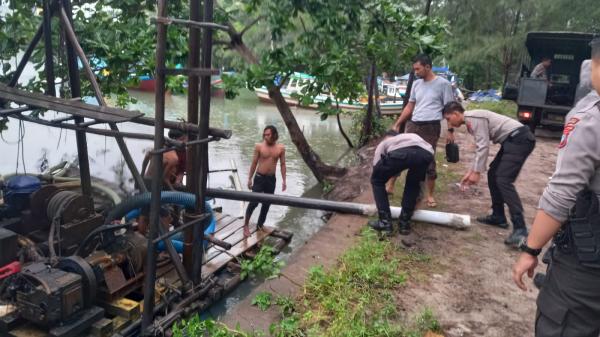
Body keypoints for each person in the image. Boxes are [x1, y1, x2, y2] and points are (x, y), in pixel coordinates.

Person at [512, 37, 600, 336]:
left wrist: (530, 249)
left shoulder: (591, 117)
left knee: (565, 323)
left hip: (588, 265)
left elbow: (563, 192)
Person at [443, 102, 535, 246]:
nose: (449, 122)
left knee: (504, 180)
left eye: (448, 118)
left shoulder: (473, 118)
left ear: (455, 114)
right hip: (512, 140)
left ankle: (520, 229)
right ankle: (498, 216)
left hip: (519, 139)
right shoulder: (471, 121)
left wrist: (477, 172)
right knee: (493, 174)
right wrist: (471, 171)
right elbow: (480, 148)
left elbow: (483, 146)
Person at [392, 54, 455, 207]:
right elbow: (410, 106)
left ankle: (430, 195)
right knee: (401, 154)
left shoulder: (443, 84)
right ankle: (390, 185)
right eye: (414, 69)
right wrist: (398, 123)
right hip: (413, 124)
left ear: (427, 67)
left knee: (428, 159)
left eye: (418, 69)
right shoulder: (416, 84)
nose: (415, 72)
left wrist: (451, 130)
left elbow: (450, 109)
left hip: (430, 126)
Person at [369, 130, 434, 235]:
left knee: (377, 181)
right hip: (426, 154)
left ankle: (385, 223)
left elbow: (376, 166)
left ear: (387, 137)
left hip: (402, 154)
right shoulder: (410, 136)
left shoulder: (385, 143)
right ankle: (404, 223)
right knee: (413, 184)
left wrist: (379, 177)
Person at [243, 125, 286, 237]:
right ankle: (246, 225)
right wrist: (249, 179)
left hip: (271, 179)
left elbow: (282, 164)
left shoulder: (280, 148)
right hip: (259, 178)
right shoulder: (259, 146)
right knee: (253, 202)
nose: (265, 136)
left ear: (274, 135)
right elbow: (254, 163)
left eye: (268, 134)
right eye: (264, 134)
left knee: (267, 203)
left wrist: (284, 180)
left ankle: (260, 224)